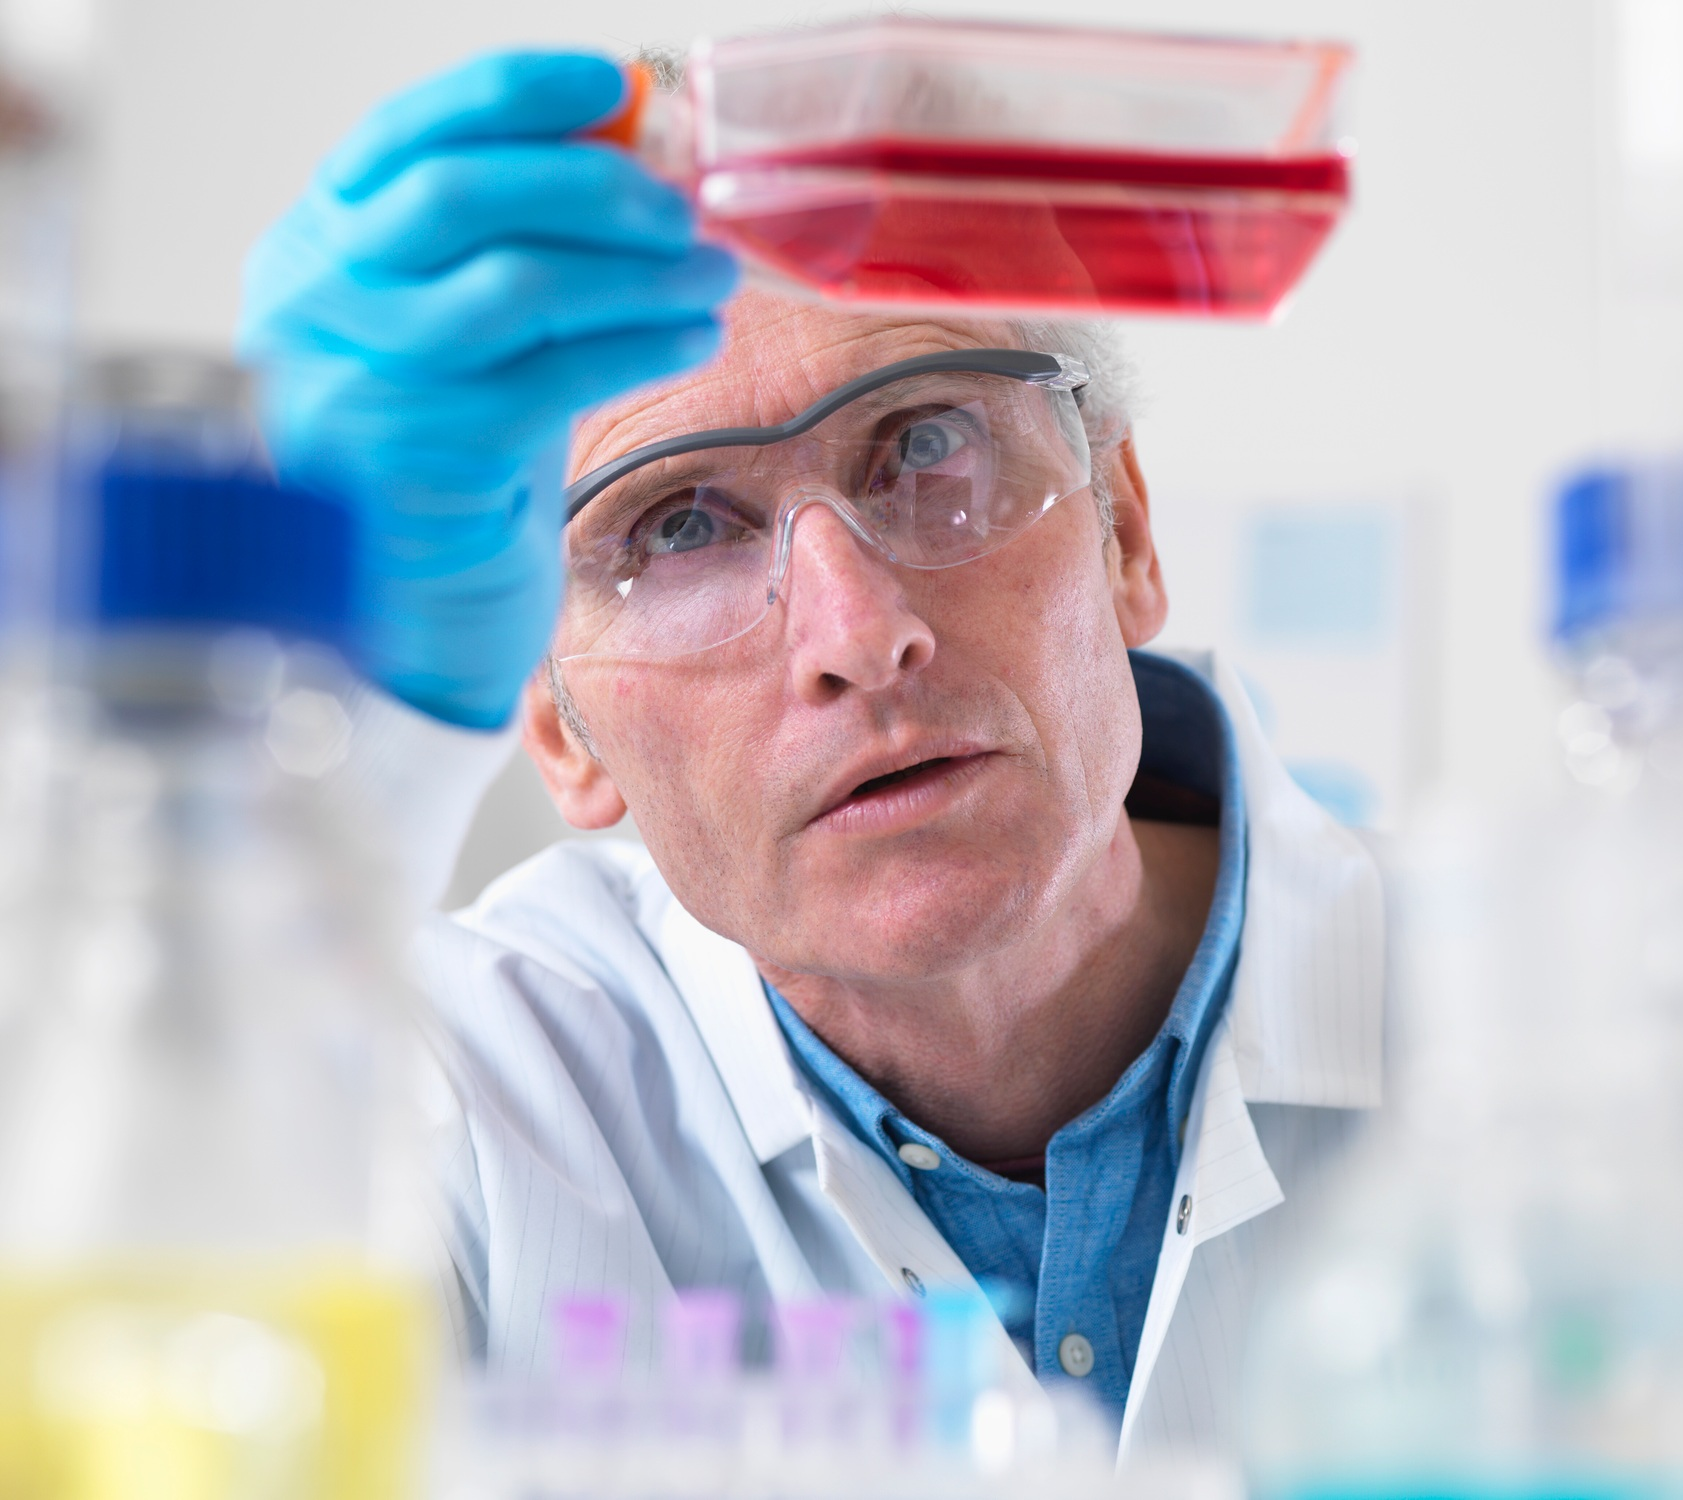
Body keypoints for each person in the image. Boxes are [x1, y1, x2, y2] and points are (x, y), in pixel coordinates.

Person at [237, 49, 1383, 1457]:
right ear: (558, 726)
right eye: (678, 528)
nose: (859, 632)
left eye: (929, 443)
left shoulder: (1535, 1034)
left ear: (1124, 531)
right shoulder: (460, 1098)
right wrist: (352, 745)